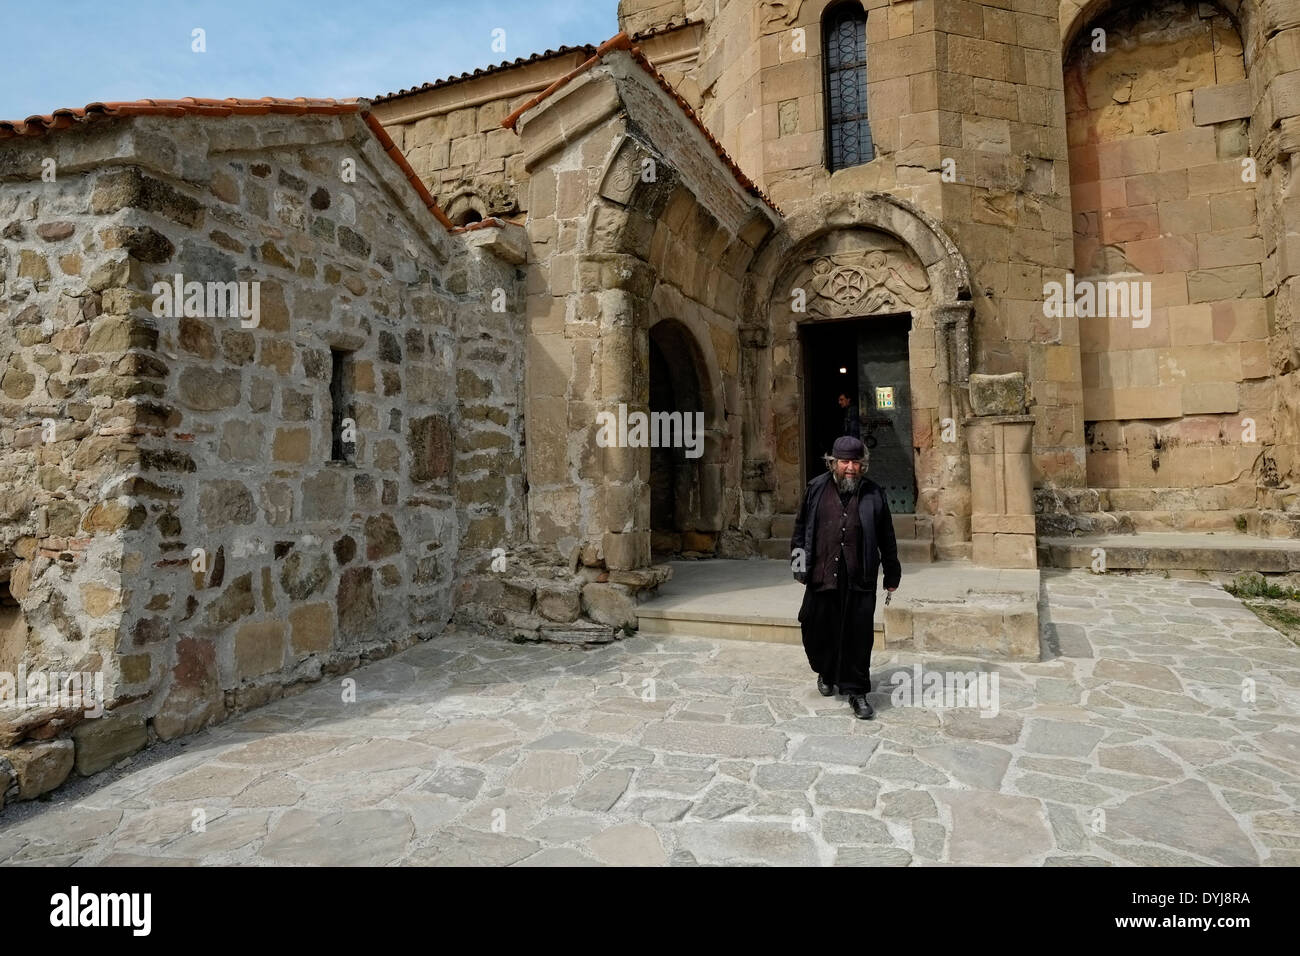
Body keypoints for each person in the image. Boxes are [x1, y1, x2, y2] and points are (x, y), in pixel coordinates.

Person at [789, 435, 901, 720]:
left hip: (858, 575)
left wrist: (892, 571)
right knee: (814, 627)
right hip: (821, 574)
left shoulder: (874, 493)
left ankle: (857, 691)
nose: (850, 467)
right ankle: (826, 671)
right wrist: (799, 566)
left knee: (857, 636)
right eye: (844, 462)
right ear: (833, 463)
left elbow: (886, 536)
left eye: (855, 462)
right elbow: (801, 529)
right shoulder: (815, 488)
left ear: (862, 464)